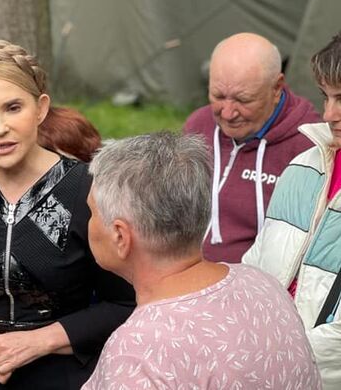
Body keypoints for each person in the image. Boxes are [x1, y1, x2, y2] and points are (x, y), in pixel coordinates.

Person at [0, 40, 135, 389]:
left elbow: (123, 302)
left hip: (59, 374)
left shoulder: (88, 189)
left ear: (41, 108)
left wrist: (40, 341)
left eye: (13, 107)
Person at [82, 132, 321, 389]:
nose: (88, 221)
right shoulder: (264, 285)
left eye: (91, 212)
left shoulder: (138, 352)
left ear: (120, 236)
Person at [243, 32, 341, 388]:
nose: (328, 114)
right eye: (326, 97)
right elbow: (256, 266)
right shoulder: (303, 167)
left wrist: (276, 356)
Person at [184, 32, 320, 263]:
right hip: (189, 271)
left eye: (243, 100)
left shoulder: (308, 146)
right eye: (218, 96)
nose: (228, 113)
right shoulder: (198, 126)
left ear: (276, 88)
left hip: (261, 279)